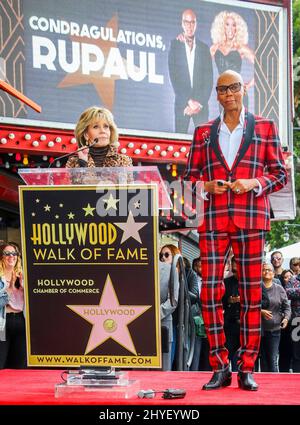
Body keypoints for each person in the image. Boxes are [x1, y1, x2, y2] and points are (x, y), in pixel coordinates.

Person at [183, 69, 287, 390]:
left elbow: (280, 174)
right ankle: (219, 365)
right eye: (221, 89)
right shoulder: (202, 132)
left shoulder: (265, 127)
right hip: (213, 220)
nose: (228, 94)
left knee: (252, 294)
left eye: (233, 87)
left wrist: (254, 182)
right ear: (216, 94)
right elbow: (189, 179)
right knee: (209, 292)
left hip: (251, 219)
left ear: (244, 90)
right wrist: (206, 186)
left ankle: (246, 367)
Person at [168, 9, 213, 134]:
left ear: (196, 24)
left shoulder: (204, 49)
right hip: (183, 104)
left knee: (204, 146)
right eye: (186, 22)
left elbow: (209, 80)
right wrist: (189, 101)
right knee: (178, 143)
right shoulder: (176, 45)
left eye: (192, 22)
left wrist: (198, 104)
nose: (189, 26)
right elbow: (175, 78)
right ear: (182, 23)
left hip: (201, 106)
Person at [66, 106, 132, 168]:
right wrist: (83, 164)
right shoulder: (73, 162)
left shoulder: (123, 161)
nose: (103, 131)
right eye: (96, 127)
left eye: (106, 126)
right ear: (86, 134)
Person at [210, 11, 255, 103]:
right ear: (223, 27)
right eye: (227, 24)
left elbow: (262, 68)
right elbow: (201, 67)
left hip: (238, 94)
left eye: (233, 25)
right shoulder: (215, 48)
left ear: (237, 29)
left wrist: (249, 85)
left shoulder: (241, 48)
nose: (230, 28)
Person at [0, 242, 27, 369]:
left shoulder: (23, 275)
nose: (11, 256)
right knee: (1, 362)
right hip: (2, 323)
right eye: (7, 253)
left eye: (14, 253)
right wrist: (9, 290)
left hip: (21, 321)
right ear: (1, 256)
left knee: (20, 365)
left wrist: (24, 287)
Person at [260, 263, 291, 372]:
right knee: (261, 359)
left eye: (269, 270)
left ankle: (273, 385)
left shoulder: (279, 289)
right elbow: (248, 305)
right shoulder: (255, 289)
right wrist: (260, 311)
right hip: (258, 329)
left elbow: (287, 307)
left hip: (274, 330)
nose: (266, 272)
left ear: (273, 274)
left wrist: (286, 318)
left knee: (272, 359)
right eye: (264, 270)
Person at [159, 260, 179, 371]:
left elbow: (173, 300)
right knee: (139, 374)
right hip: (136, 327)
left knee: (162, 373)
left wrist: (152, 315)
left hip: (162, 323)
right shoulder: (133, 268)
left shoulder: (170, 270)